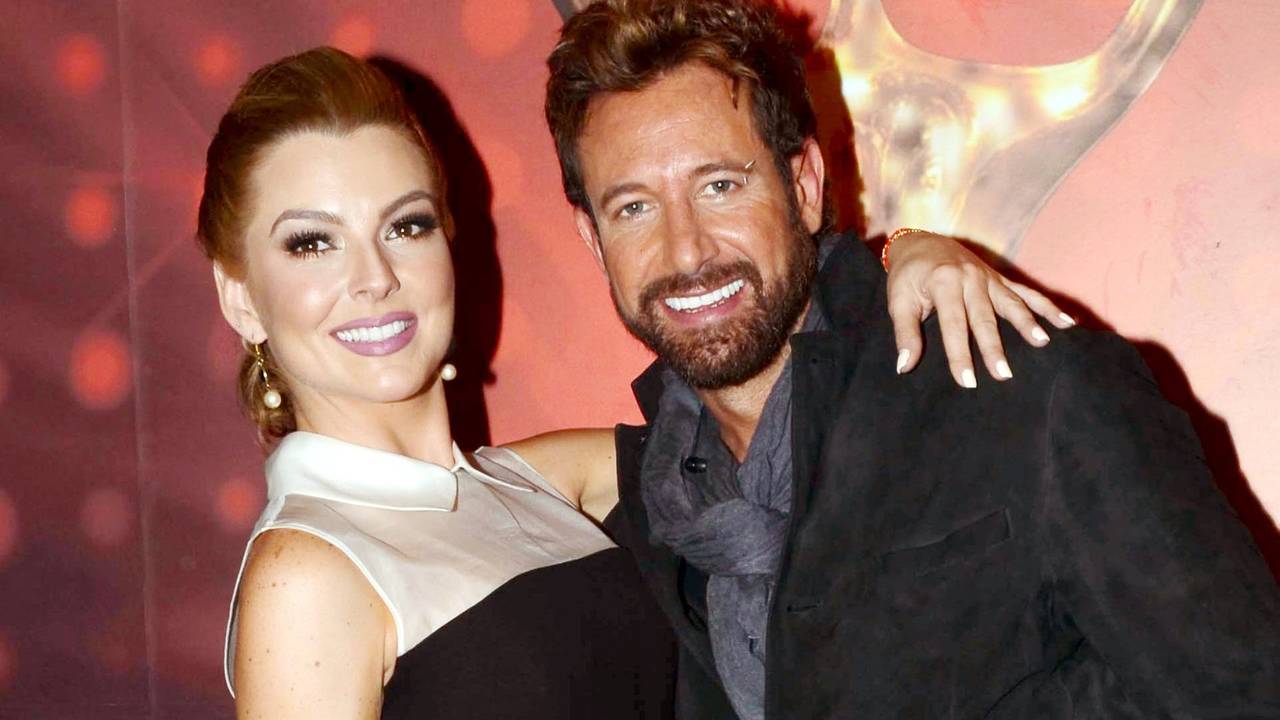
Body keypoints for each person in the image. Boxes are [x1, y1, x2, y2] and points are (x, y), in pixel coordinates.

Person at [202, 48, 1071, 718]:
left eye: (406, 226)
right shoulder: (308, 573)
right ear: (240, 296)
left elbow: (772, 414)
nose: (375, 278)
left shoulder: (536, 483)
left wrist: (910, 252)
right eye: (311, 243)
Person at [544, 1, 1280, 718]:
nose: (685, 250)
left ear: (804, 187)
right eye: (634, 207)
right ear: (592, 239)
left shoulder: (1028, 394)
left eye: (720, 186)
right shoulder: (643, 523)